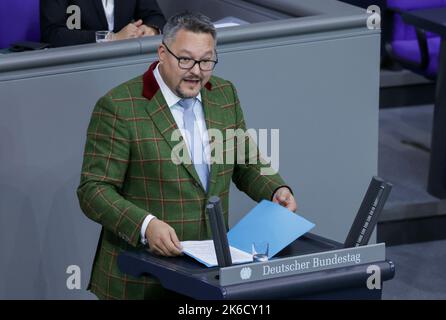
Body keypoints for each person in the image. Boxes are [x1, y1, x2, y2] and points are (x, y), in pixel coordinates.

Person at [77, 11, 297, 300]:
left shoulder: (224, 94)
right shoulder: (119, 107)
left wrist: (275, 189)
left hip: (210, 276)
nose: (196, 71)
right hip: (140, 282)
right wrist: (145, 225)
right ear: (162, 53)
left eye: (206, 61)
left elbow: (246, 161)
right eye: (186, 59)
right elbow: (93, 190)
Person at [40, 0, 166, 47]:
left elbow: (155, 17)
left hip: (127, 61)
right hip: (81, 65)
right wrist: (110, 37)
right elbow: (52, 33)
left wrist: (150, 29)